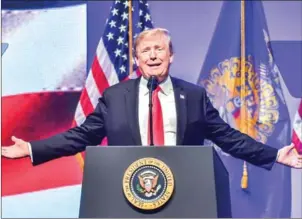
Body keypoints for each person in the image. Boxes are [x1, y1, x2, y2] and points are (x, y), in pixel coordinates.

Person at [2, 28, 302, 169]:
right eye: (146, 51)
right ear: (137, 59)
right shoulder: (115, 96)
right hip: (126, 189)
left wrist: (275, 154)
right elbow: (81, 136)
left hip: (185, 190)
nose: (153, 55)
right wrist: (32, 148)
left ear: (170, 56)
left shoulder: (194, 96)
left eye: (159, 49)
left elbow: (227, 137)